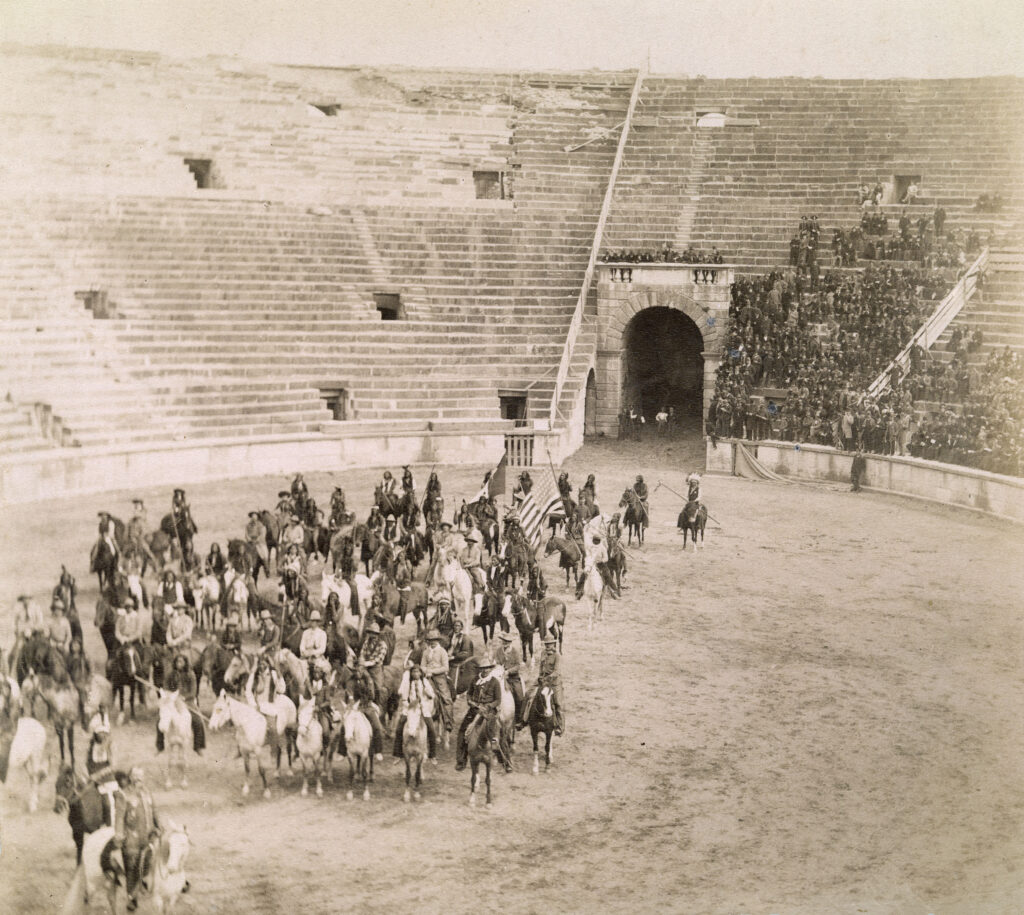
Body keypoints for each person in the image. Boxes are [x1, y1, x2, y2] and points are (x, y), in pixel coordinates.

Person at [455, 648, 511, 772]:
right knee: (463, 731)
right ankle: (461, 759)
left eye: (487, 668)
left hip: (489, 711)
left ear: (490, 669)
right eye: (483, 668)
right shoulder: (475, 680)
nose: (485, 670)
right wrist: (472, 703)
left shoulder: (494, 682)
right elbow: (469, 694)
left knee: (499, 733)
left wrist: (488, 706)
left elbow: (498, 700)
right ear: (479, 669)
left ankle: (506, 761)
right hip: (475, 710)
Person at [113, 767, 161, 912]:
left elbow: (154, 811)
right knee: (131, 869)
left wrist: (159, 826)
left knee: (147, 863)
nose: (138, 779)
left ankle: (141, 883)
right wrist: (119, 835)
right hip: (131, 839)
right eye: (135, 776)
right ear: (130, 778)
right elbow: (119, 817)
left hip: (148, 837)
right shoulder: (124, 794)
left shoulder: (147, 793)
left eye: (141, 776)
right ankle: (132, 899)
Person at [157, 653, 205, 755]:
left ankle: (198, 747)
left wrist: (183, 697)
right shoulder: (171, 674)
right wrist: (168, 695)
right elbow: (165, 687)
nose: (179, 664)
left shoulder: (191, 674)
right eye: (177, 661)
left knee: (198, 721)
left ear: (185, 663)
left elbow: (193, 692)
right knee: (160, 720)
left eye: (181, 662)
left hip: (187, 701)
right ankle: (159, 746)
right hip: (172, 701)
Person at [392, 664, 437, 762]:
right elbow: (404, 698)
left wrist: (427, 693)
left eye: (417, 672)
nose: (415, 674)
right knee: (399, 728)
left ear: (421, 673)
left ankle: (432, 755)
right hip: (410, 709)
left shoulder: (425, 682)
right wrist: (409, 705)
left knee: (431, 729)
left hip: (423, 709)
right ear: (411, 674)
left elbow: (432, 695)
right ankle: (398, 754)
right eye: (413, 672)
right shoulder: (408, 683)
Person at [522, 634, 564, 735]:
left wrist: (547, 678)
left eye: (550, 644)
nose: (548, 646)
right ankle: (523, 720)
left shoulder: (557, 656)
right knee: (528, 694)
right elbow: (541, 667)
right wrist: (540, 677)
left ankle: (560, 726)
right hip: (542, 679)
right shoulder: (543, 653)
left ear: (554, 644)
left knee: (558, 703)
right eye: (546, 644)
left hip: (554, 682)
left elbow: (556, 672)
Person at [420, 628, 453, 735]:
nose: (432, 642)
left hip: (439, 677)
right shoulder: (426, 652)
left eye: (434, 640)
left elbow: (445, 668)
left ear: (438, 640)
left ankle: (448, 723)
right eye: (430, 640)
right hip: (427, 676)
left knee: (446, 698)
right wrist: (426, 671)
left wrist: (433, 672)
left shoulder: (442, 651)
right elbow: (422, 665)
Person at [495, 630, 524, 724]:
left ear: (510, 642)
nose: (505, 643)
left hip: (513, 678)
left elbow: (518, 665)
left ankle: (519, 719)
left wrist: (508, 671)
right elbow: (497, 662)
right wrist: (499, 668)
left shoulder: (515, 651)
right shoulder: (499, 651)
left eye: (507, 642)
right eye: (503, 641)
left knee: (519, 697)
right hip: (501, 677)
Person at [300, 610, 330, 678]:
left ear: (318, 622)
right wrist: (305, 652)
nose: (314, 623)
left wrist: (313, 653)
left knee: (325, 669)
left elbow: (322, 649)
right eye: (312, 621)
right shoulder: (305, 632)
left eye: (316, 621)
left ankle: (324, 686)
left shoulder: (322, 633)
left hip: (317, 657)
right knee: (300, 669)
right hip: (306, 657)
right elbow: (302, 646)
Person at [587, 534, 620, 599]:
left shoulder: (602, 548)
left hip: (601, 564)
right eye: (595, 540)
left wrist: (601, 561)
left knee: (608, 576)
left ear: (599, 541)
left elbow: (606, 558)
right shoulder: (590, 547)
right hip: (592, 564)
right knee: (584, 574)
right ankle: (579, 590)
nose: (596, 542)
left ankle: (615, 592)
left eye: (597, 541)